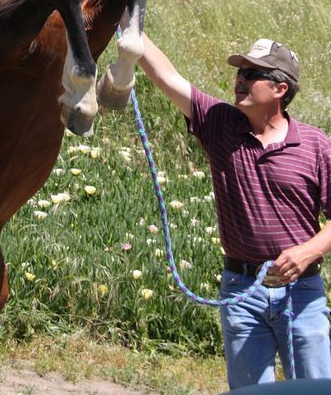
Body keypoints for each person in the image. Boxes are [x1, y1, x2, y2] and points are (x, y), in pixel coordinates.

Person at [137, 35, 331, 389]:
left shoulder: (315, 144)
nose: (239, 79)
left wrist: (309, 251)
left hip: (301, 292)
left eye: (251, 73)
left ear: (279, 88)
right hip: (241, 288)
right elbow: (166, 76)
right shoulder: (221, 124)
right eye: (240, 72)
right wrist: (126, 12)